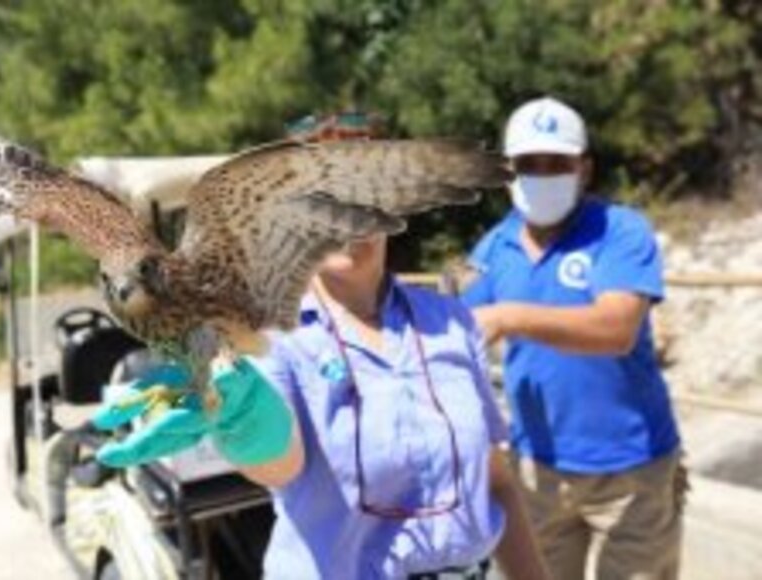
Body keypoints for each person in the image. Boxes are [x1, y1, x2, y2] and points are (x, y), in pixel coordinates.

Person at [92, 113, 550, 580]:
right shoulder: (263, 335)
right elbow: (279, 464)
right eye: (322, 200)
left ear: (388, 208)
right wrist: (248, 425)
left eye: (360, 196)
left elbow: (495, 480)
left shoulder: (448, 321)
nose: (342, 220)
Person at [461, 96, 686, 579]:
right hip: (535, 473)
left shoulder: (620, 232)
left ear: (584, 169)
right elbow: (456, 333)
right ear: (506, 170)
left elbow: (617, 328)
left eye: (557, 163)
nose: (543, 174)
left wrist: (510, 316)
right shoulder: (492, 248)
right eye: (528, 164)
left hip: (633, 472)